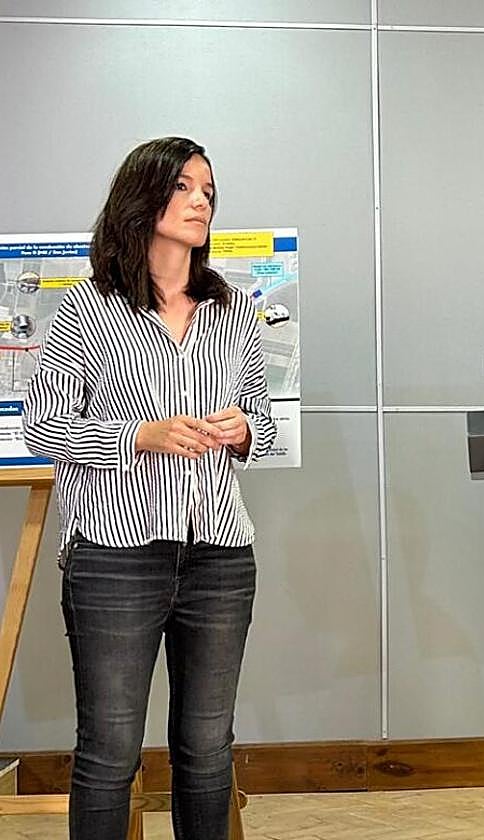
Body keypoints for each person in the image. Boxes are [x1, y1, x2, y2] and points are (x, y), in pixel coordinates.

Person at [23, 137, 277, 840]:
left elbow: (264, 418)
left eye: (208, 191)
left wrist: (244, 430)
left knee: (206, 751)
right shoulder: (86, 310)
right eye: (185, 187)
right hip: (114, 558)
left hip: (221, 557)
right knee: (109, 754)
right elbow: (44, 424)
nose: (201, 202)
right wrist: (139, 435)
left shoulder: (234, 312)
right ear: (144, 198)